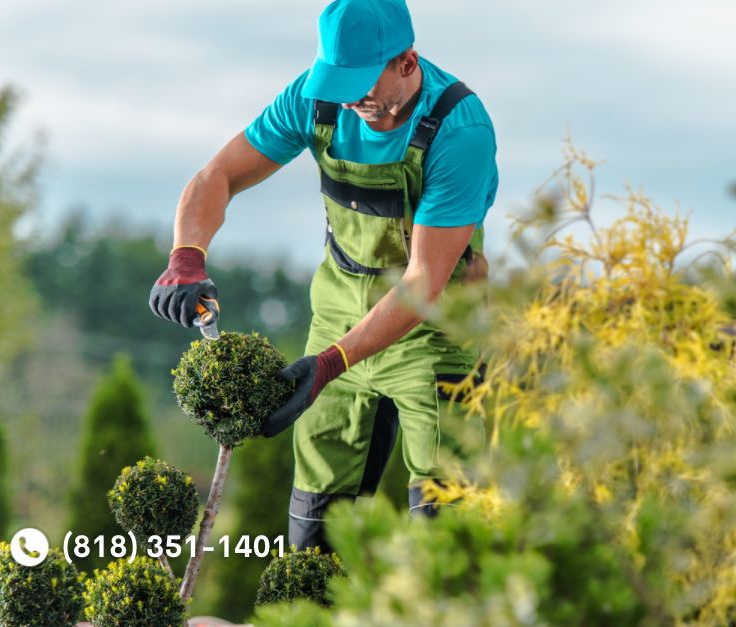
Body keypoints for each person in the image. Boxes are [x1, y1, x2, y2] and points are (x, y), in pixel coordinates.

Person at [147, 0, 496, 551]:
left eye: (362, 81)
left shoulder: (460, 129)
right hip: (338, 308)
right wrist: (186, 254)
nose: (349, 95)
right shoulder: (316, 98)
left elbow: (424, 281)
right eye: (338, 79)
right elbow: (217, 175)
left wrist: (330, 363)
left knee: (447, 523)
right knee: (315, 524)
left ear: (407, 62)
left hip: (436, 329)